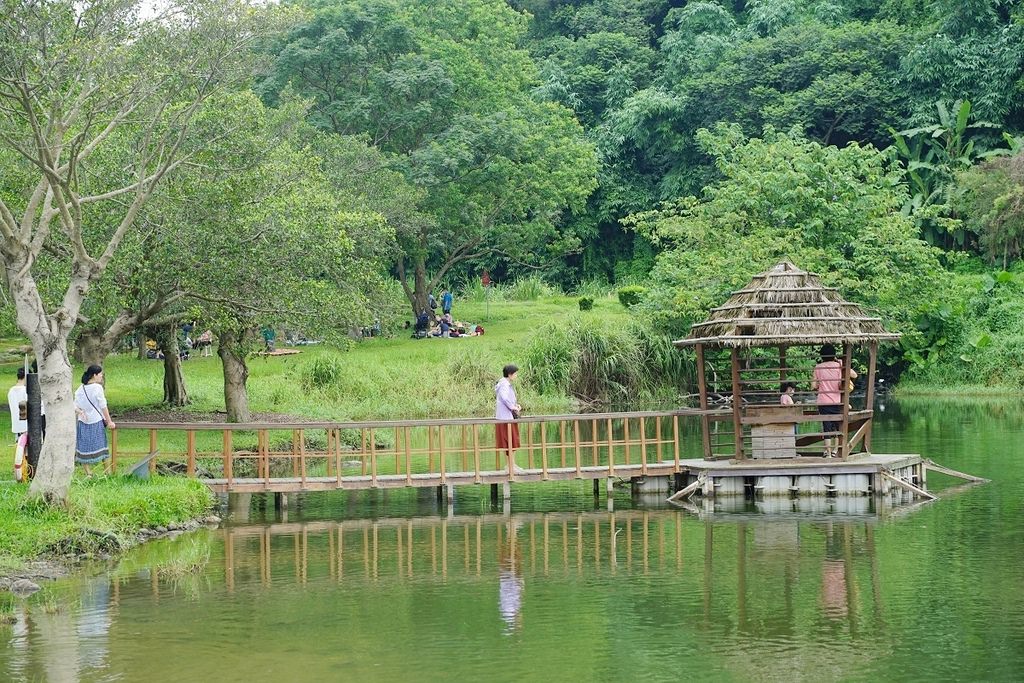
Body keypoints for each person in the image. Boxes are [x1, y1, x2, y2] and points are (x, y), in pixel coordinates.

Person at [812, 345, 856, 458]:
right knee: (837, 427)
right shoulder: (839, 366)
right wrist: (841, 363)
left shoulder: (818, 367)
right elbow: (854, 375)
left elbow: (813, 386)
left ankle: (828, 453)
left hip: (823, 402)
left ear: (821, 355)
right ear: (834, 354)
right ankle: (835, 451)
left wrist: (819, 385)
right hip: (837, 401)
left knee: (826, 428)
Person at [74, 365, 116, 476]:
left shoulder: (80, 389)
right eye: (100, 374)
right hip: (96, 421)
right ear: (94, 375)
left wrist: (80, 411)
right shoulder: (97, 388)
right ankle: (107, 473)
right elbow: (103, 406)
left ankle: (89, 474)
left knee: (83, 448)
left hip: (83, 422)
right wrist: (109, 421)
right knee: (102, 447)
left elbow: (74, 404)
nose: (102, 376)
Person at [495, 364, 524, 474]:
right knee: (510, 442)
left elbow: (508, 399)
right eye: (515, 373)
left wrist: (516, 405)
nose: (516, 375)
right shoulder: (504, 385)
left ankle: (511, 465)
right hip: (505, 417)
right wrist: (513, 407)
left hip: (507, 416)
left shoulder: (505, 384)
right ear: (510, 374)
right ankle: (510, 466)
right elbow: (504, 398)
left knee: (512, 442)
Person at [8, 368, 27, 442]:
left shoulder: (11, 391)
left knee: (19, 446)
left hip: (16, 424)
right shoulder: (25, 391)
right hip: (25, 424)